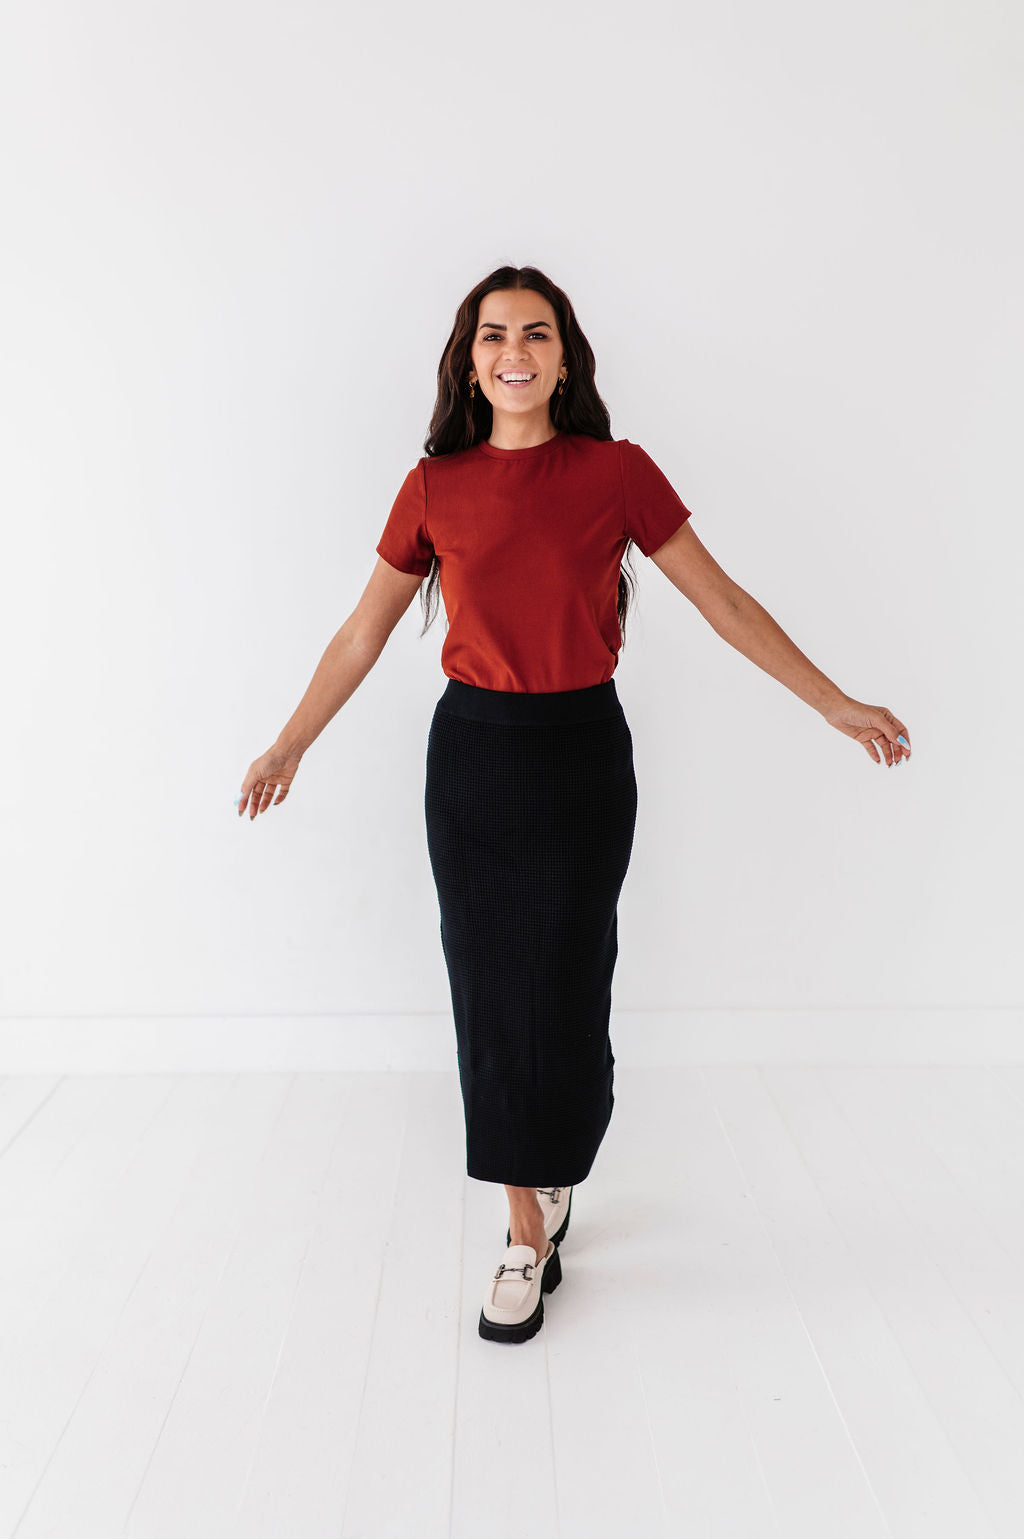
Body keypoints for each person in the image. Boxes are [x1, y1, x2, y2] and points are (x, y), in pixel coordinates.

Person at [236, 264, 912, 1346]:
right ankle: (522, 1230)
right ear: (470, 362)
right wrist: (289, 744)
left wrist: (832, 702)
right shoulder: (434, 486)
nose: (515, 351)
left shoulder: (616, 472)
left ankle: (553, 1162)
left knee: (565, 985)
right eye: (494, 334)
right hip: (474, 761)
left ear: (564, 358)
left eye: (537, 333)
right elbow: (363, 631)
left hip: (582, 758)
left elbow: (724, 602)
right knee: (490, 993)